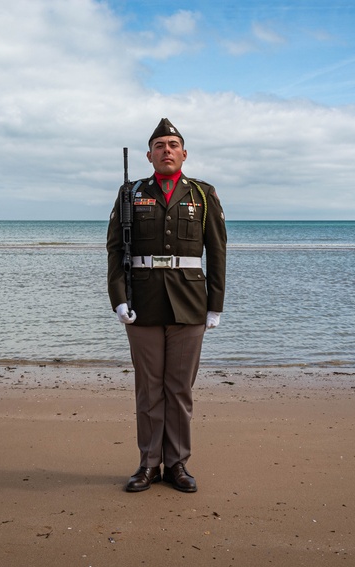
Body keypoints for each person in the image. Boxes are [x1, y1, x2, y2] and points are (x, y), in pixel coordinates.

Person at [106, 118, 227, 493]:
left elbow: (217, 252)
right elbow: (115, 250)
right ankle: (148, 465)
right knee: (148, 389)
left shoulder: (203, 195)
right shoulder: (130, 193)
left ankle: (177, 465)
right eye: (160, 145)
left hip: (190, 302)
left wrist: (215, 305)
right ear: (149, 154)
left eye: (173, 144)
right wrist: (119, 299)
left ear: (184, 153)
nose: (167, 150)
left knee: (179, 390)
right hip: (142, 302)